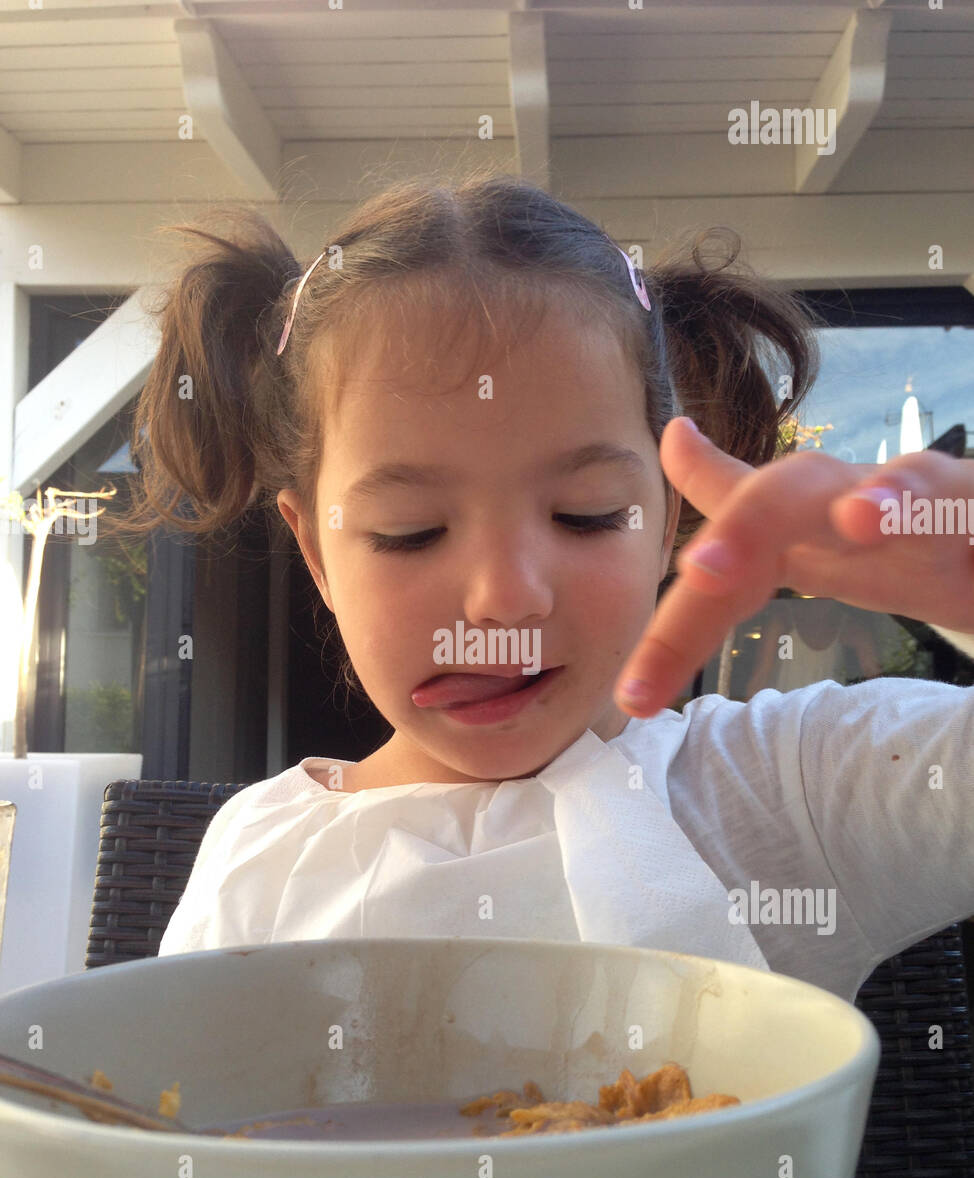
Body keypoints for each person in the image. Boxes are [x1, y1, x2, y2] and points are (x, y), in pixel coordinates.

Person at [110, 172, 974, 1005]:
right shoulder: (264, 860)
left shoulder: (789, 792)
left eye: (585, 515)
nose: (505, 600)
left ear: (666, 520)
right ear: (320, 556)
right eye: (410, 531)